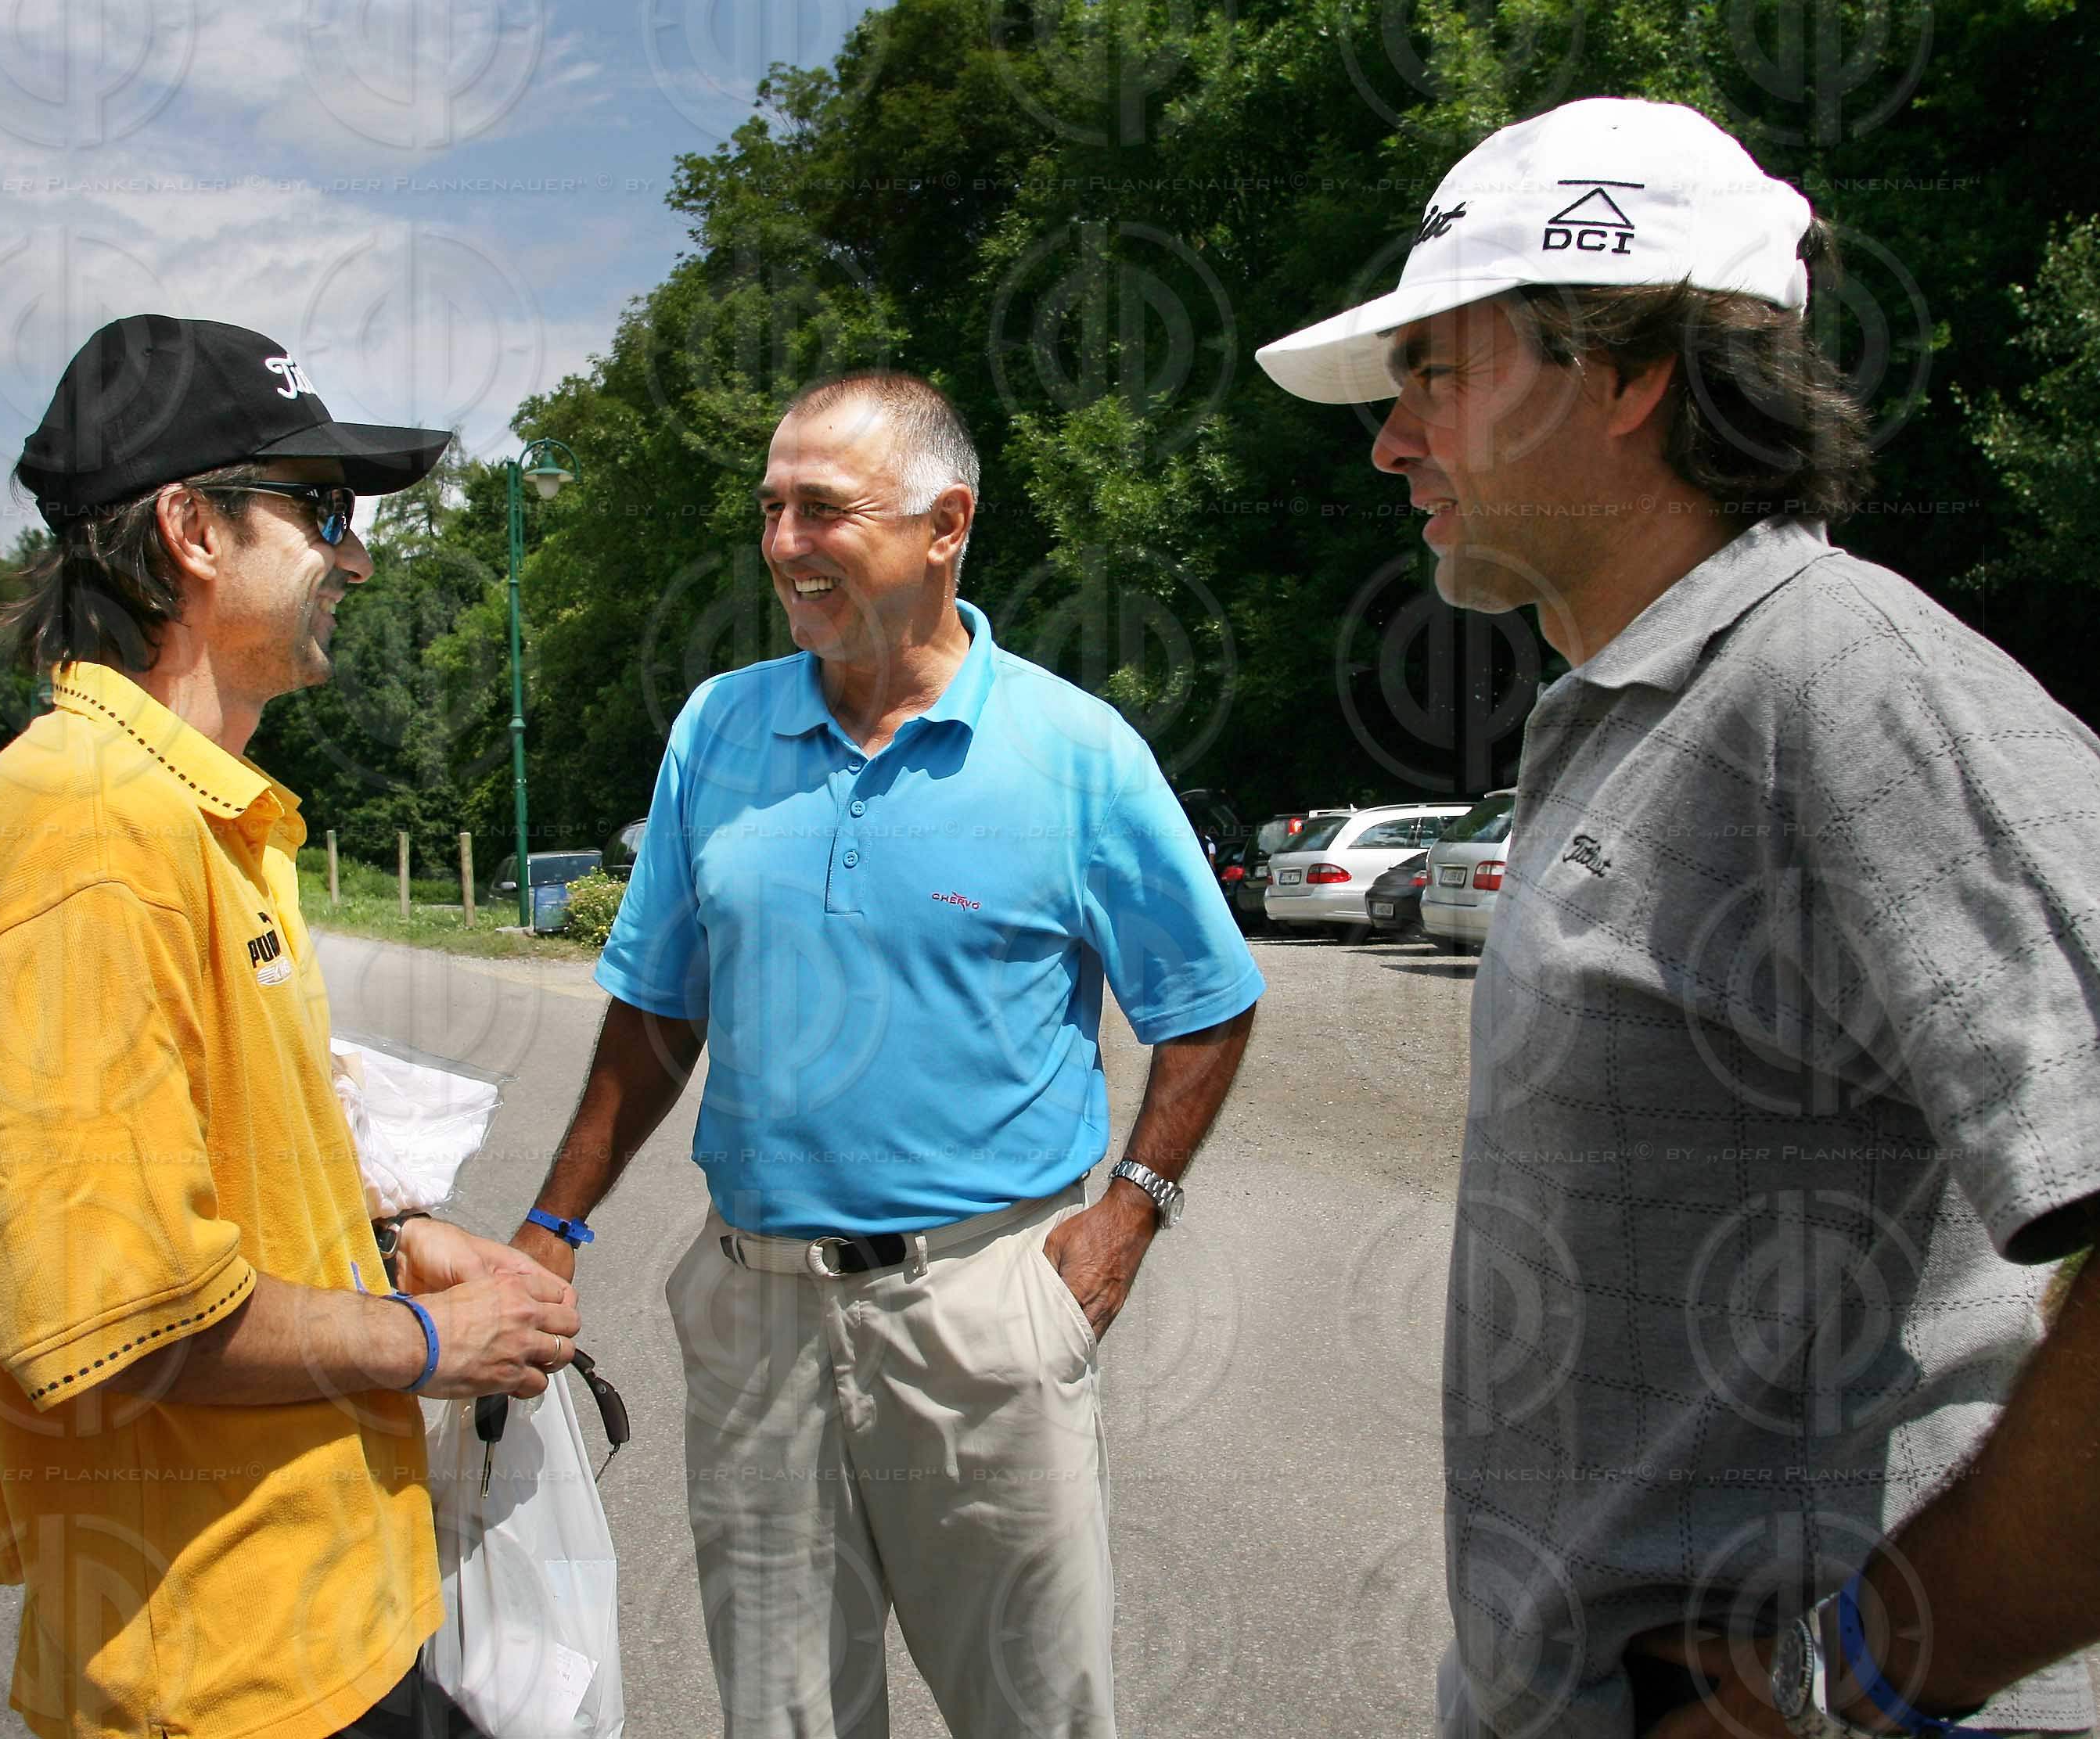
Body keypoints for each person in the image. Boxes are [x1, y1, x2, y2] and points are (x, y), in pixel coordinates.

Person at [1260, 97, 2100, 1739]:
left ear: (1625, 370)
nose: (1389, 436)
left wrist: (1895, 1660)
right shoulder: (1631, 710)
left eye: (1437, 368)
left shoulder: (1844, 676)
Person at [510, 370, 1264, 1737]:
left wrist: (1128, 1219)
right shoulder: (718, 731)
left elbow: (1206, 1000)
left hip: (984, 1310)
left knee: (1034, 1714)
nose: (785, 542)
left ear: (944, 525)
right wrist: (555, 1220)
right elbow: (658, 1009)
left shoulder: (1075, 752)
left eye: (823, 510)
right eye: (771, 508)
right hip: (755, 1316)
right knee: (785, 1718)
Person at [0, 314, 581, 1739]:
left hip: (320, 1629)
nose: (355, 555)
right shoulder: (90, 834)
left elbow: (218, 1181)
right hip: (224, 1672)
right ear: (192, 531)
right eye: (323, 510)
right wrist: (427, 1339)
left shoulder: (196, 815)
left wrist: (396, 1244)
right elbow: (112, 1324)